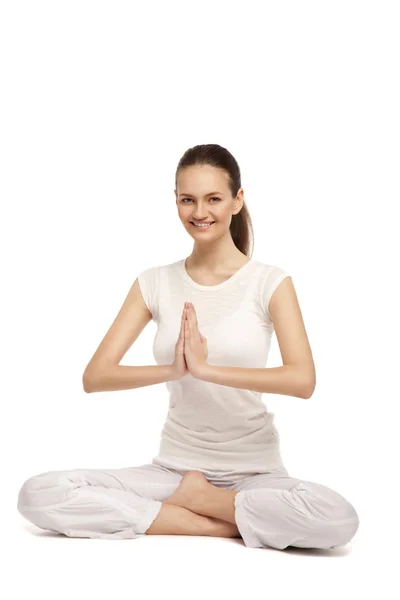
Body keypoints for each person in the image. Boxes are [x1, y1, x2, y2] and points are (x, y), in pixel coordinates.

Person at [17, 143, 359, 549]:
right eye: (188, 200)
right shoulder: (155, 282)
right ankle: (210, 523)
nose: (200, 212)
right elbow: (95, 376)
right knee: (38, 493)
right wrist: (173, 370)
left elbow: (303, 380)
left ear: (237, 200)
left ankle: (208, 503)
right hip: (174, 473)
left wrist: (207, 369)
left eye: (214, 198)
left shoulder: (270, 282)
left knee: (338, 519)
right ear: (176, 202)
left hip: (256, 474)